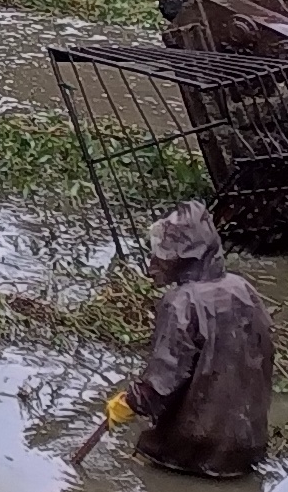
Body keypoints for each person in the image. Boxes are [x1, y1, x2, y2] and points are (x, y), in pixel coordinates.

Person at [100, 201, 276, 476]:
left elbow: (161, 382)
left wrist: (129, 403)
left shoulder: (181, 303)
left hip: (192, 449)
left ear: (181, 255)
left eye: (163, 251)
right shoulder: (244, 288)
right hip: (248, 445)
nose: (155, 260)